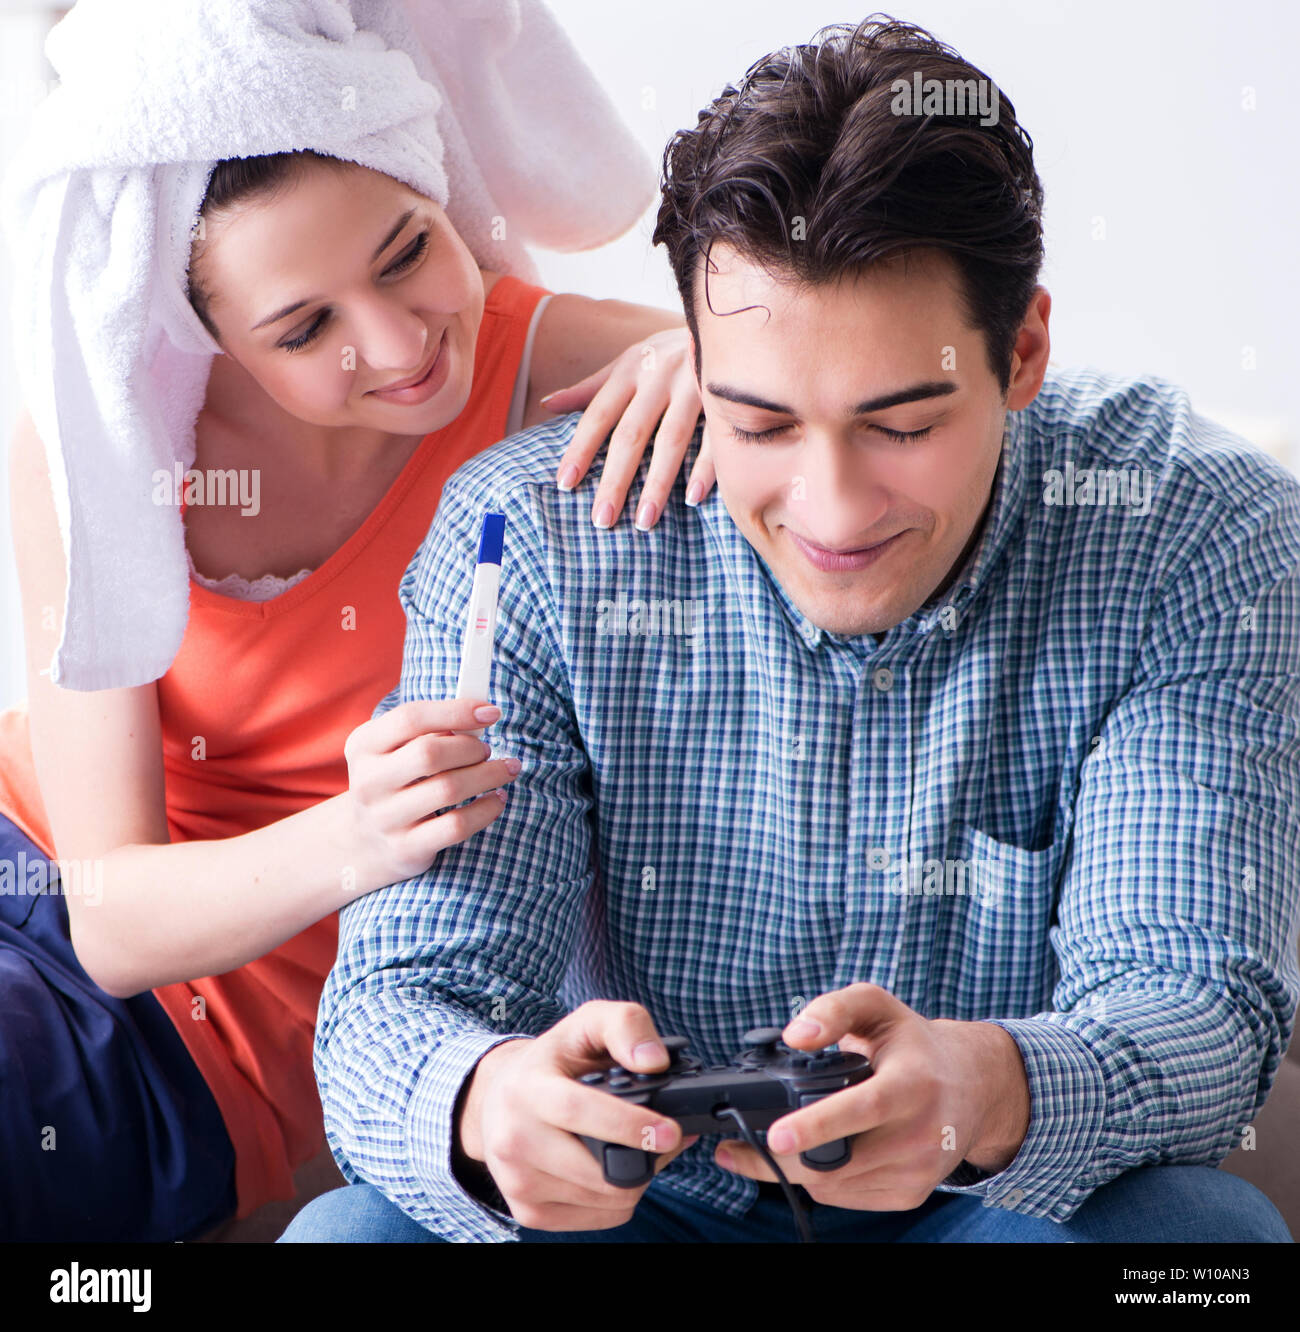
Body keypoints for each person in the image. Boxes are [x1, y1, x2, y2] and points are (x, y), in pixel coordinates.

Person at [285, 16, 1300, 1244]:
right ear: (687, 359)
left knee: (1201, 1242)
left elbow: (1194, 1001)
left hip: (987, 1203)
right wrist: (483, 1101)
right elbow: (404, 1000)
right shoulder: (529, 541)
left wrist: (982, 1087)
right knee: (354, 1237)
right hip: (633, 1216)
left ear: (1022, 349)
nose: (831, 511)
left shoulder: (1192, 532)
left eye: (902, 424)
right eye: (757, 424)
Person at [0, 23, 712, 1242]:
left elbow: (828, 369)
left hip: (185, 1044)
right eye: (301, 329)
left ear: (439, 187)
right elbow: (111, 907)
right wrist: (360, 827)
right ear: (204, 332)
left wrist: (716, 355)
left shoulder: (552, 366)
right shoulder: (106, 444)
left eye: (405, 254)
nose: (397, 344)